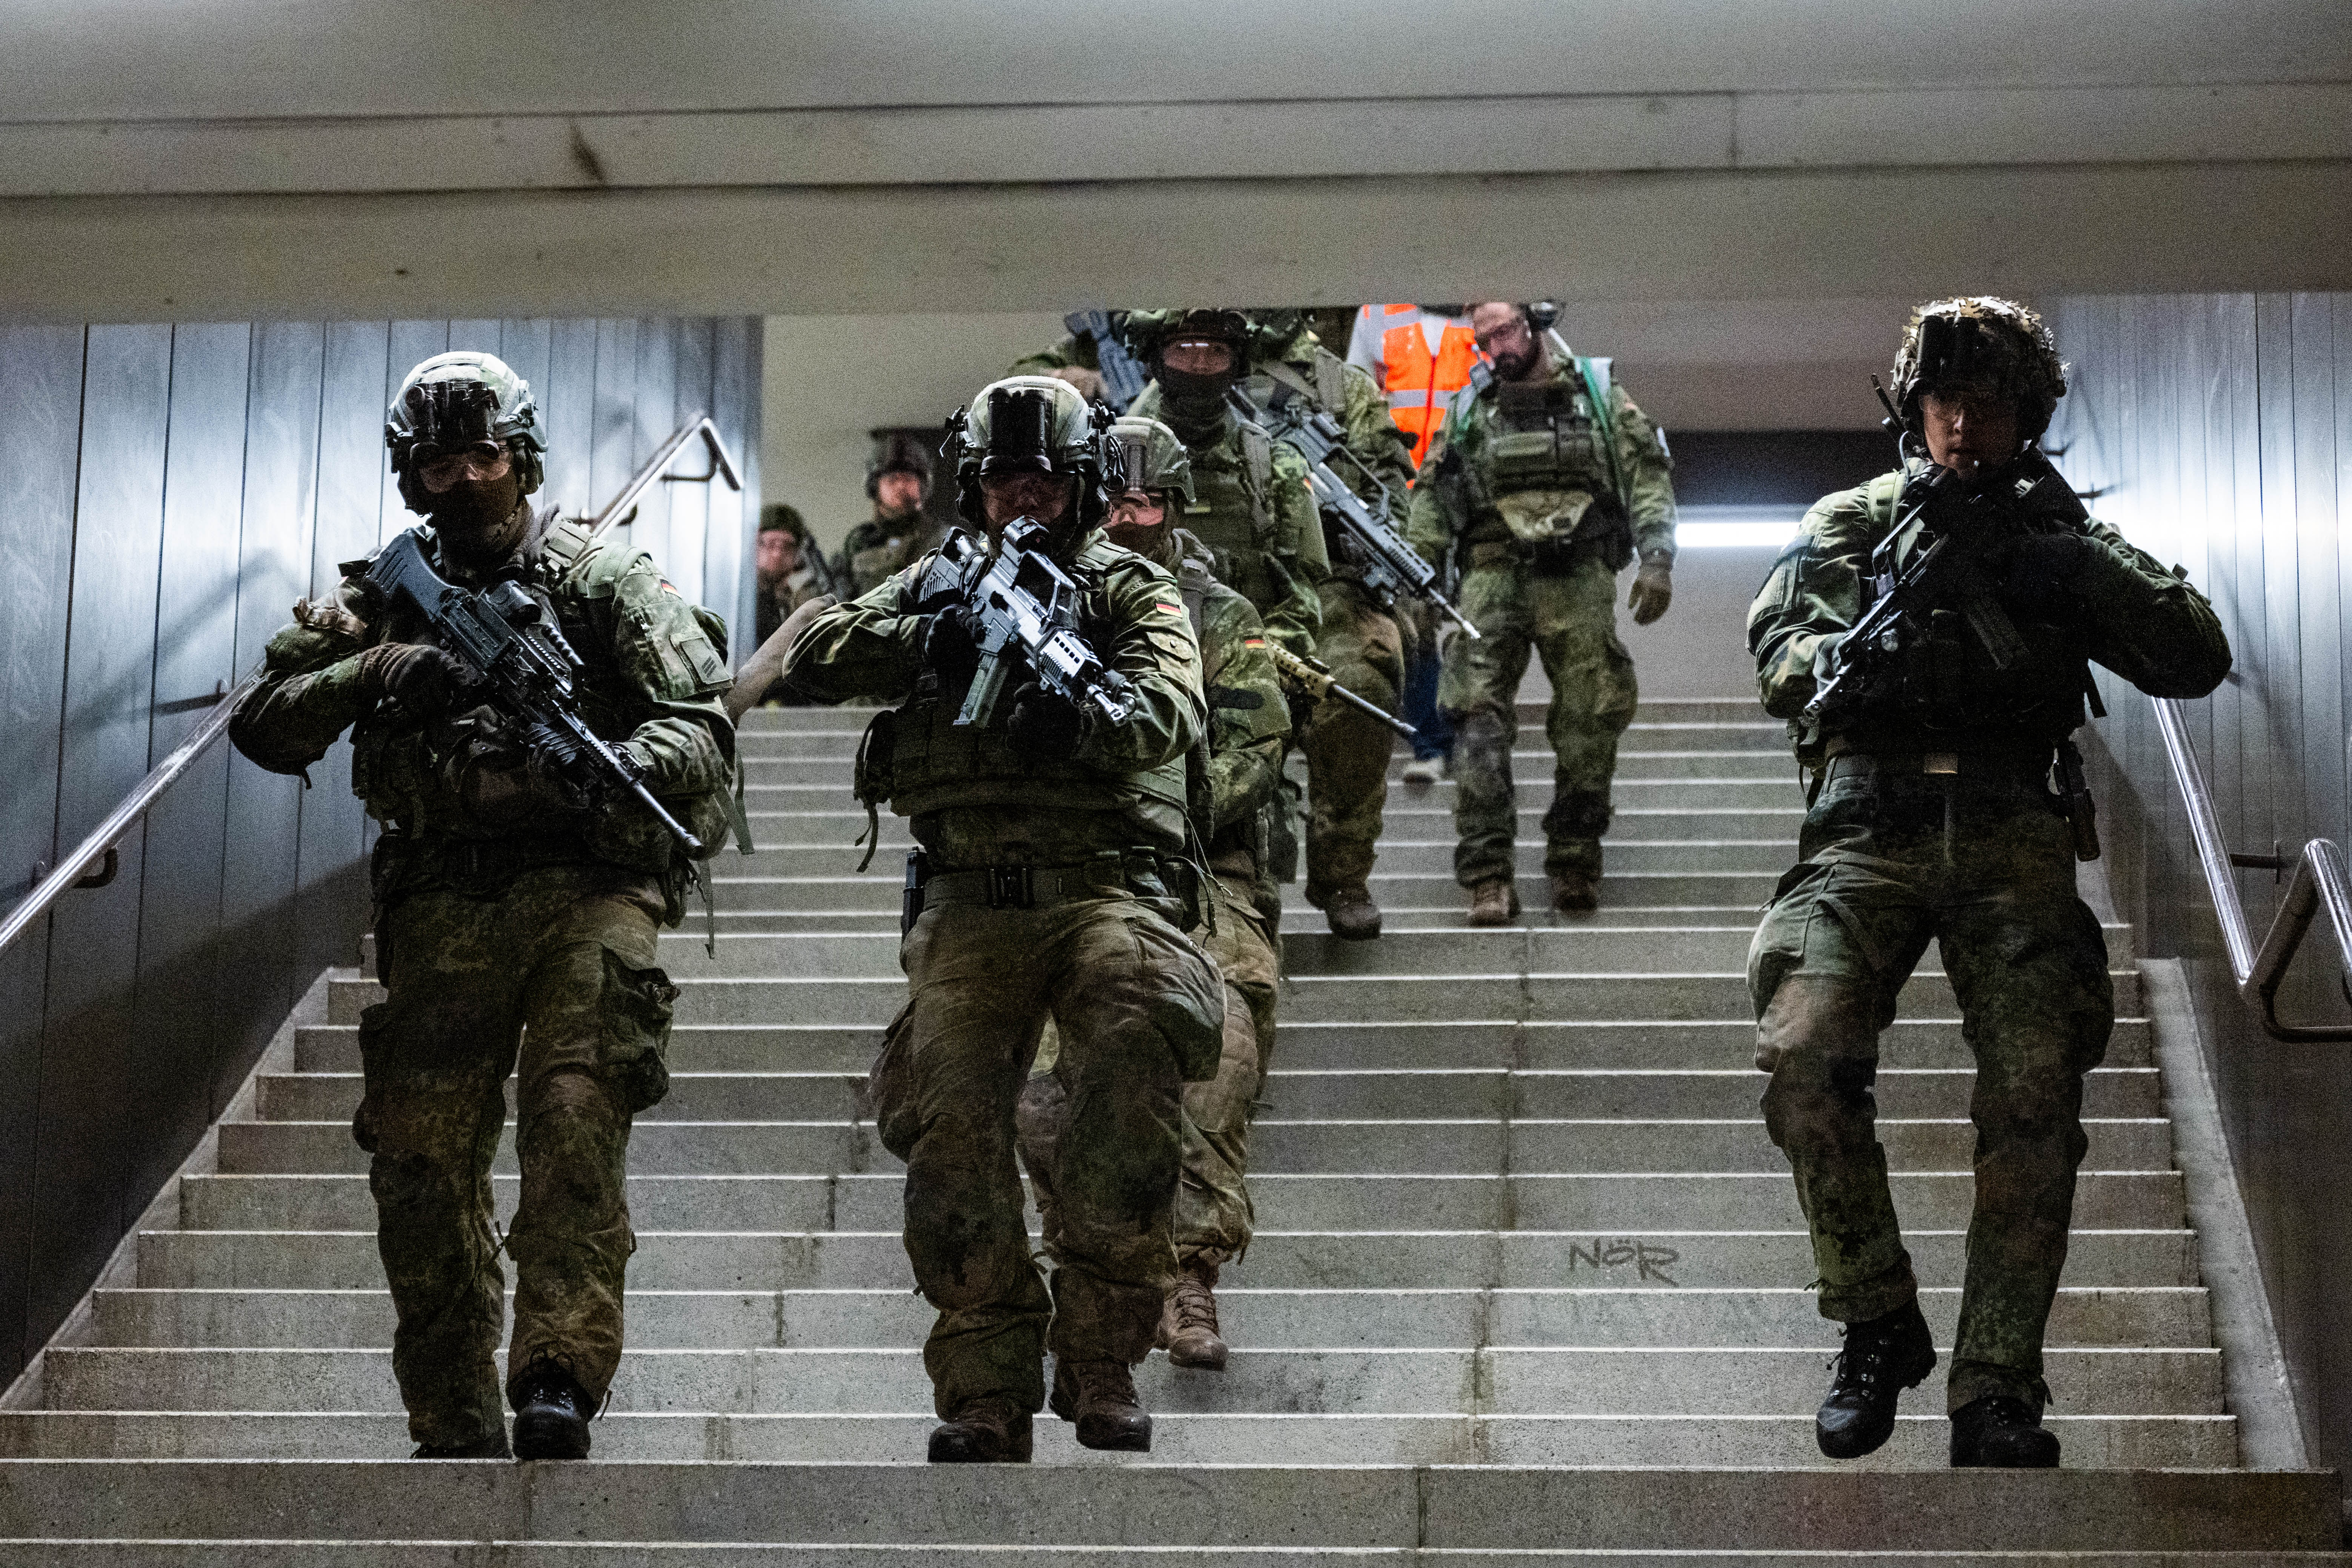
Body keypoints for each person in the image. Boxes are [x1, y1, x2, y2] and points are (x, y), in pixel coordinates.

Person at [1746, 297, 2231, 1468]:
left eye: (1991, 407)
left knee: (2032, 1101)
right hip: (1867, 825)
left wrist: (2066, 570)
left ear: (2028, 416)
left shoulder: (2062, 538)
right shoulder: (1854, 522)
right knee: (1802, 1056)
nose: (1964, 427)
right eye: (1944, 404)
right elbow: (1782, 657)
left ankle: (1996, 1383)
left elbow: (2194, 651)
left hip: (2014, 827)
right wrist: (1854, 660)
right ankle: (1874, 1319)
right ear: (1912, 410)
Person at [226, 351, 736, 1462]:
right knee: (419, 1156)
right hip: (443, 898)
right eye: (440, 461)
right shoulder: (379, 597)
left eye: (485, 454)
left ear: (524, 458)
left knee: (572, 1113)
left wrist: (610, 762)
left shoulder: (599, 577)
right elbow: (263, 721)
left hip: (588, 883)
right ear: (411, 477)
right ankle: (450, 1410)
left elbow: (699, 720)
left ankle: (554, 1370)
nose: (466, 479)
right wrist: (372, 675)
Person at [788, 376, 1224, 1464]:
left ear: (1078, 488)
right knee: (951, 1123)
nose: (1020, 500)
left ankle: (1103, 1360)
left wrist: (1077, 712)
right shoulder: (929, 580)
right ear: (971, 489)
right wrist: (924, 638)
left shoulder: (1130, 587)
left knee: (1132, 1059)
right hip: (973, 896)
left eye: (1040, 481)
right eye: (1000, 482)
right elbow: (814, 653)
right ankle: (985, 1381)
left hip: (1104, 884)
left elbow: (1171, 704)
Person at [1019, 415, 1290, 1372]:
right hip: (1074, 878)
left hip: (1200, 872)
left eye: (1148, 501)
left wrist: (1146, 789)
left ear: (1172, 506)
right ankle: (1091, 1261)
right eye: (1116, 497)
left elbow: (1254, 747)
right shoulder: (1035, 602)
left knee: (1219, 1055)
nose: (1131, 517)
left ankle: (1188, 1279)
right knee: (1046, 1093)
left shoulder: (1220, 615)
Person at [1408, 301, 1678, 923]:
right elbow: (1435, 494)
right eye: (1482, 339)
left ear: (1535, 324)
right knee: (1475, 719)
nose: (1494, 347)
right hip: (1490, 574)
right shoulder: (1471, 407)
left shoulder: (1599, 394)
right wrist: (1416, 583)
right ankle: (1486, 875)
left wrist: (1657, 558)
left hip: (1576, 574)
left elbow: (1646, 475)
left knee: (1590, 714)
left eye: (1503, 331)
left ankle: (1575, 858)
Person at [1349, 305, 1479, 785]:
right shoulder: (1379, 314)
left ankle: (1474, 730)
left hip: (1469, 490)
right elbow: (1355, 396)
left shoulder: (1483, 310)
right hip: (1403, 496)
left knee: (1479, 618)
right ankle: (1430, 743)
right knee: (1416, 623)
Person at [835, 430, 944, 596]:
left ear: (922, 486)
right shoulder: (858, 542)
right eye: (892, 480)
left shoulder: (941, 540)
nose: (901, 486)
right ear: (875, 488)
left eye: (908, 479)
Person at [753, 502, 838, 649]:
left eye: (787, 546)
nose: (778, 554)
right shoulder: (743, 598)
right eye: (771, 544)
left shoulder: (797, 595)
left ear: (798, 553)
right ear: (756, 544)